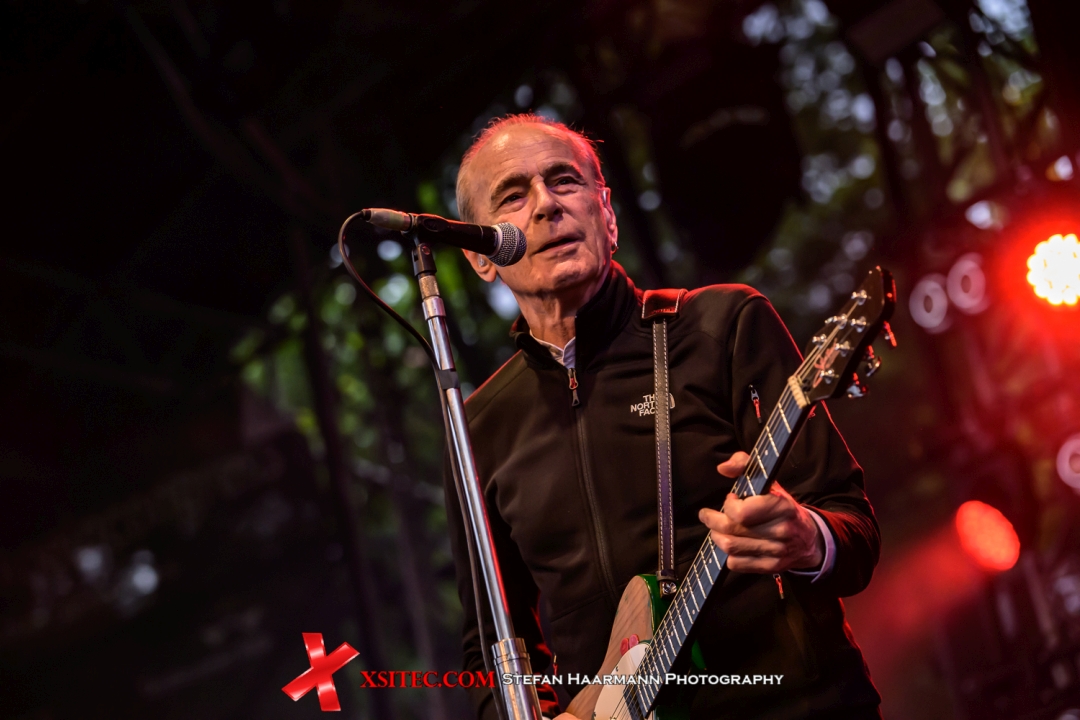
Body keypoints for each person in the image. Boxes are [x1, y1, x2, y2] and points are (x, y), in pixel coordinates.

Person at [444, 114, 881, 720]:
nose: (546, 205)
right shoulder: (477, 429)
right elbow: (490, 645)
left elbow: (854, 528)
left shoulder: (723, 326)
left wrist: (810, 539)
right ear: (481, 257)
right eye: (513, 196)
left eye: (565, 181)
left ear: (607, 215)